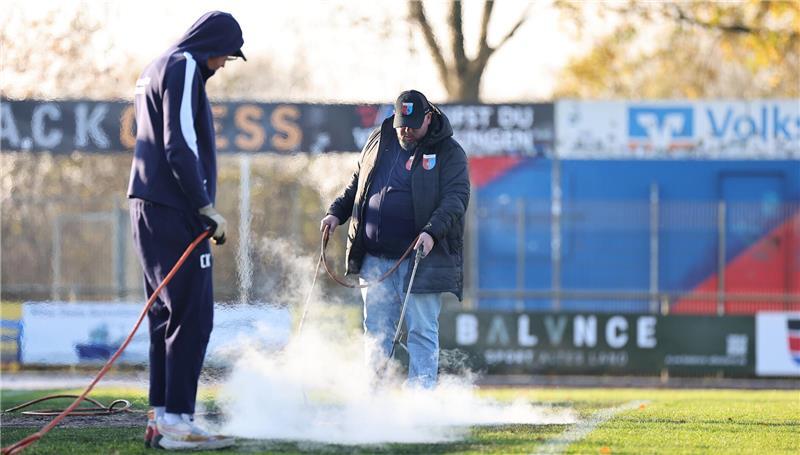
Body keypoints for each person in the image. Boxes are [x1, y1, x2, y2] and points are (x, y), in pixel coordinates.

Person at [127, 11, 245, 451]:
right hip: (176, 210)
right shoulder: (183, 67)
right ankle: (179, 423)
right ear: (212, 45)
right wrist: (206, 206)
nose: (223, 66)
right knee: (193, 317)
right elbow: (180, 143)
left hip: (148, 206)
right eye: (226, 57)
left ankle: (162, 418)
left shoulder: (155, 66)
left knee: (164, 316)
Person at [320, 89, 470, 389]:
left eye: (413, 125)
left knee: (422, 330)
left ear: (428, 117)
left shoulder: (450, 152)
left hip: (421, 258)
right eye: (402, 123)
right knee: (376, 331)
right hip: (375, 258)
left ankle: (420, 402)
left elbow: (456, 198)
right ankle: (375, 399)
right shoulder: (379, 140)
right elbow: (357, 186)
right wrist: (337, 212)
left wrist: (431, 231)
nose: (406, 130)